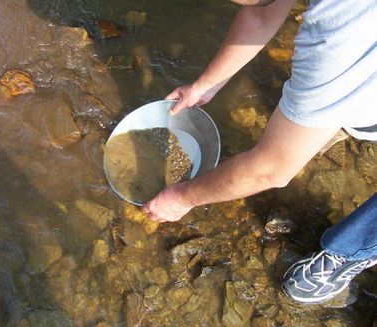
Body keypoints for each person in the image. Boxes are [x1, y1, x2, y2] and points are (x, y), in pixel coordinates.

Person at [141, 0, 377, 304]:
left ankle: (354, 252)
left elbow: (271, 169)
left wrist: (181, 198)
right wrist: (206, 85)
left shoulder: (336, 39)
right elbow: (261, 11)